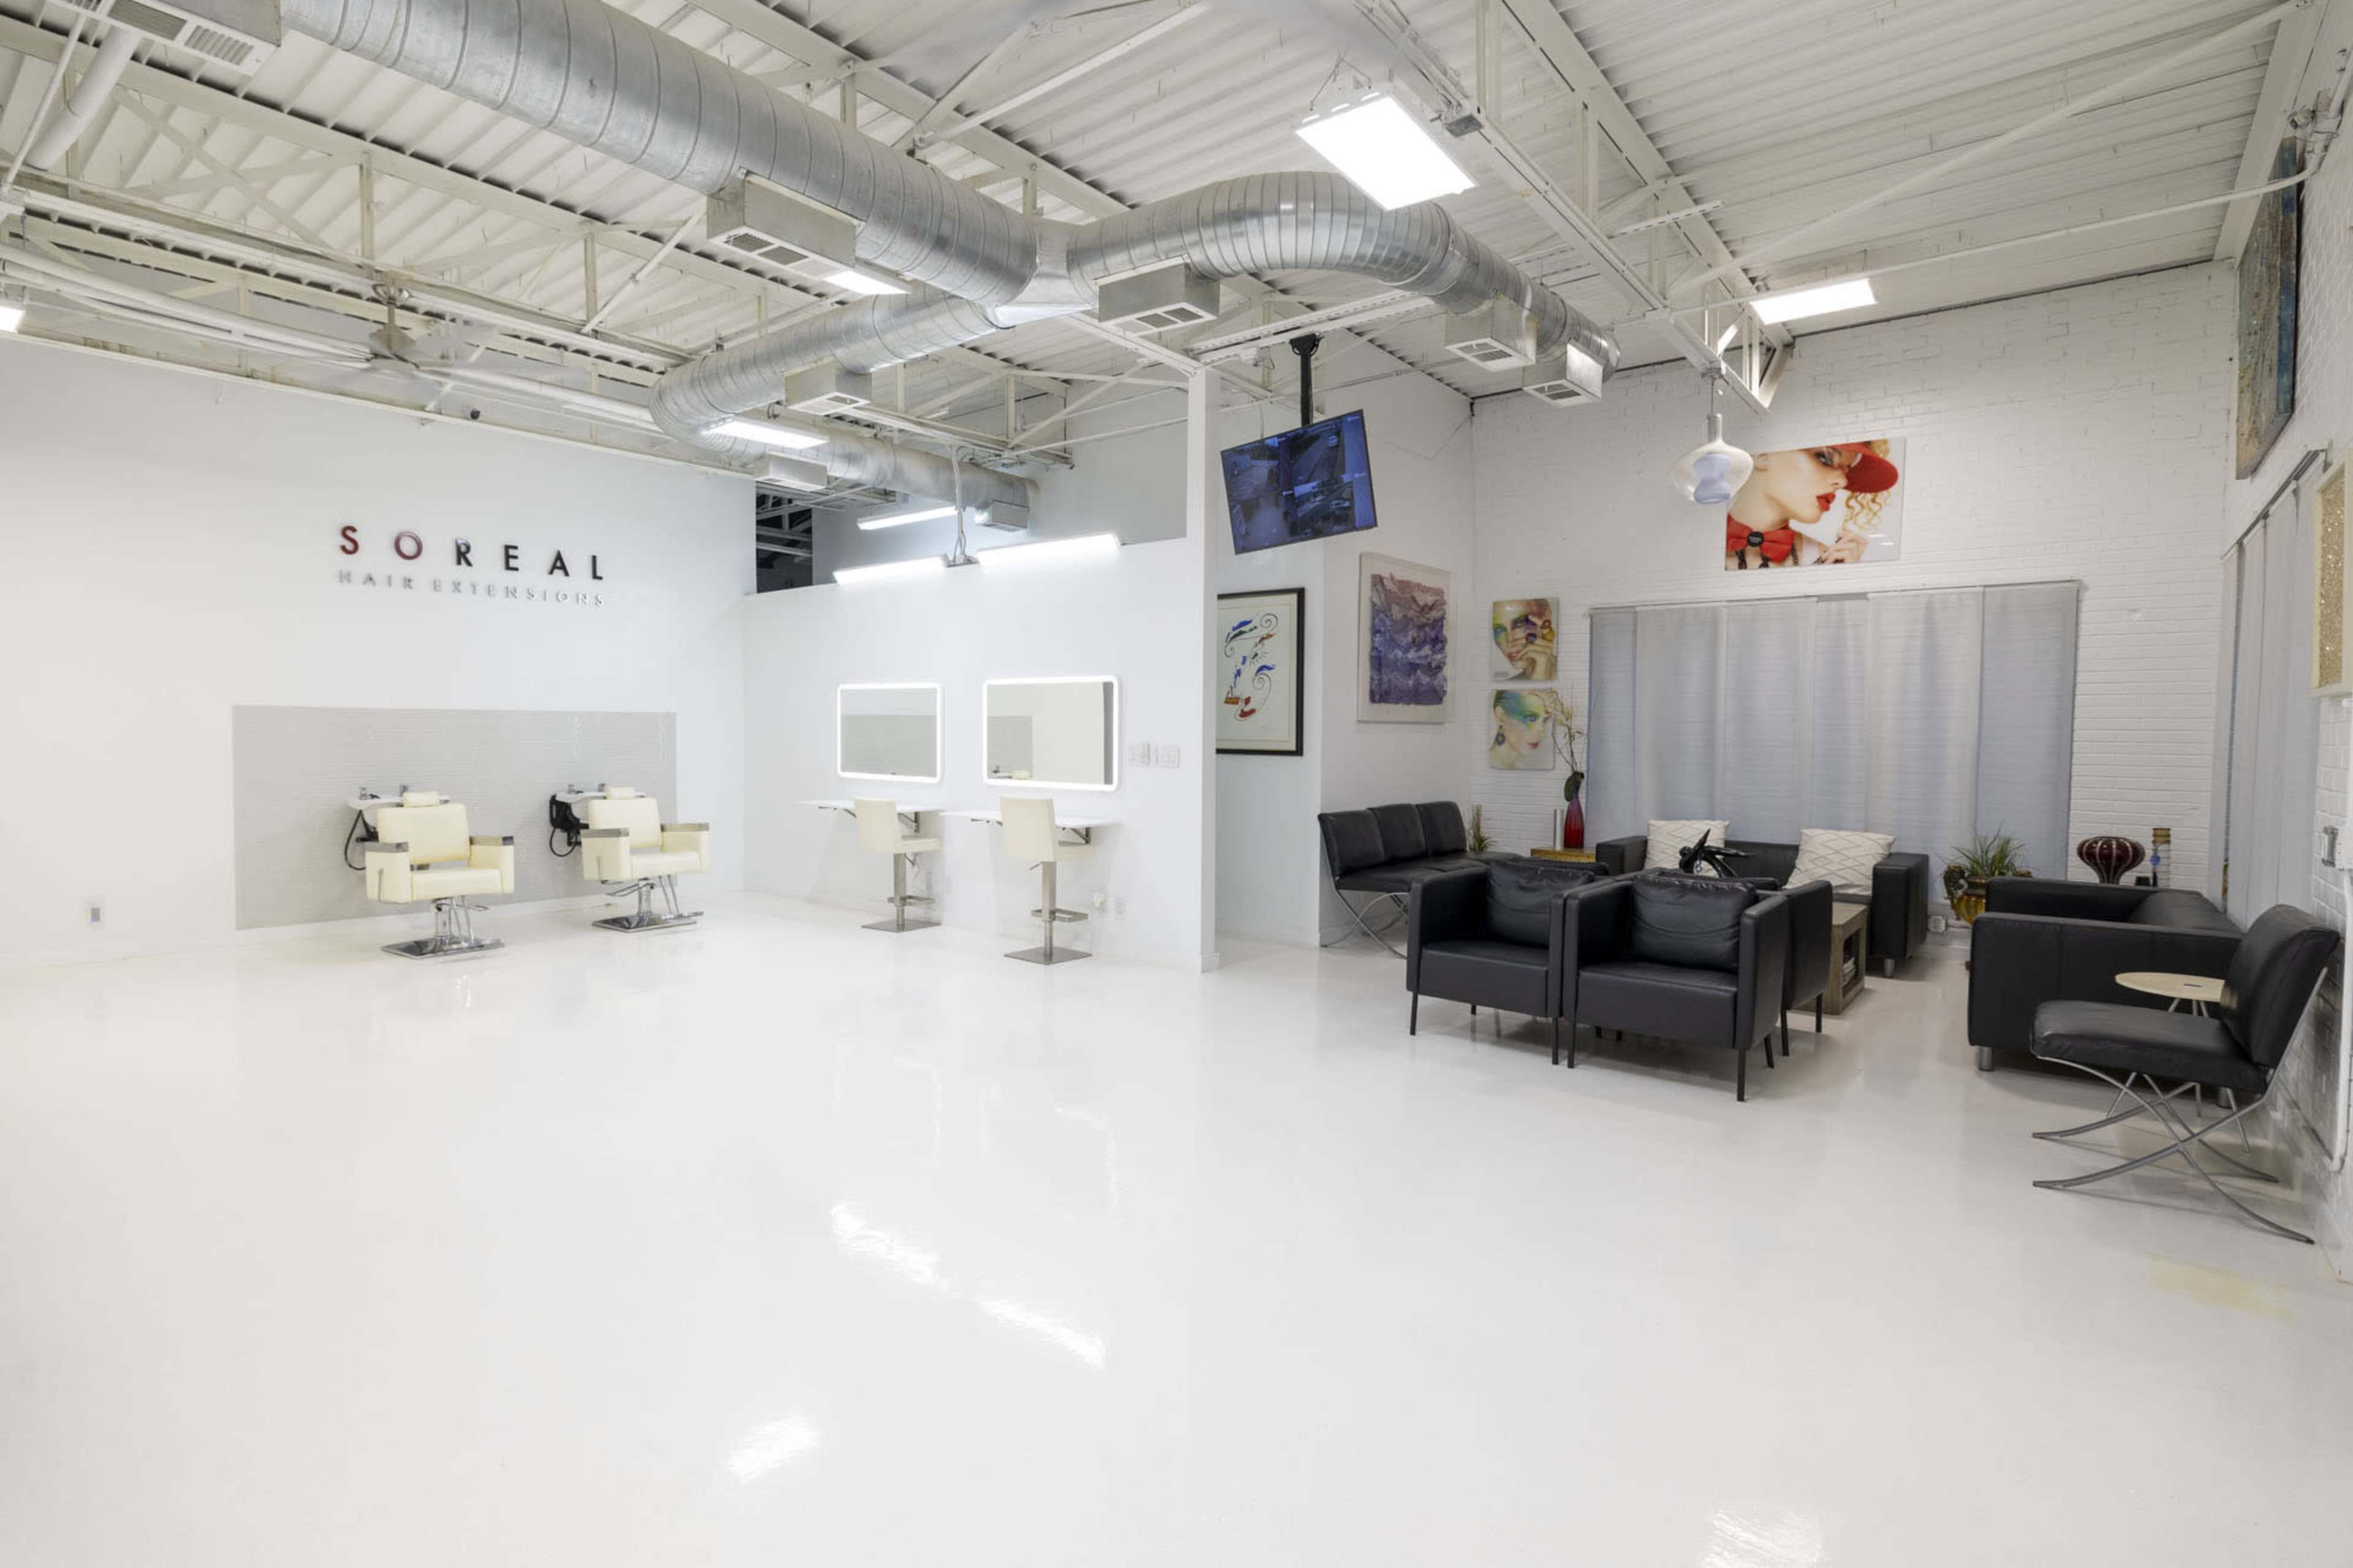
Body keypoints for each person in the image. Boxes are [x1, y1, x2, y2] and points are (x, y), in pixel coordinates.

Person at [1724, 441, 1898, 569]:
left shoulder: (1826, 559)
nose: (1843, 481)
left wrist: (1846, 580)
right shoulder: (1701, 542)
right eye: (1825, 458)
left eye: (1847, 470)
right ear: (1762, 455)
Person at [1491, 598, 1557, 680]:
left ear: (1546, 616)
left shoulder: (1574, 673)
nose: (1509, 642)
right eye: (1499, 629)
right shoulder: (1505, 690)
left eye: (1520, 624)